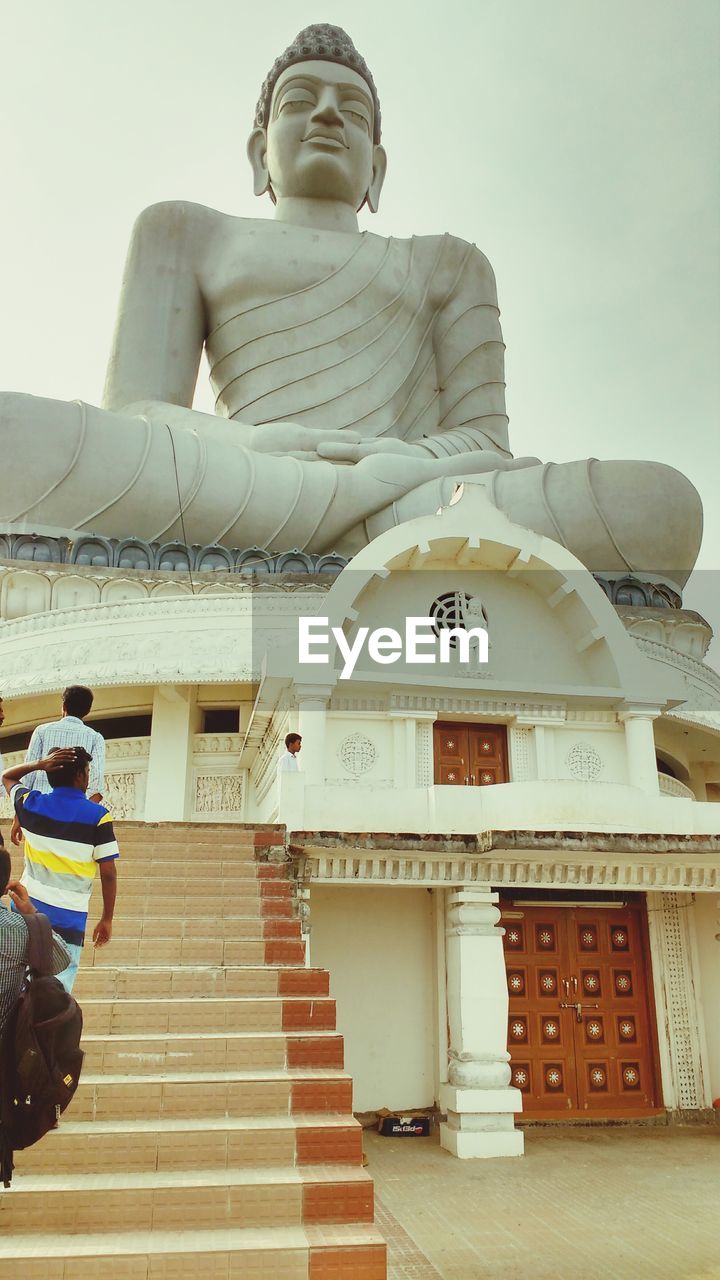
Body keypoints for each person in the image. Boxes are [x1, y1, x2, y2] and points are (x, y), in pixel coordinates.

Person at [0, 25, 702, 595]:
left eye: (352, 110)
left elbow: (486, 446)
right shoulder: (184, 230)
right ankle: (367, 537)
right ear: (259, 151)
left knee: (660, 503)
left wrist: (388, 464)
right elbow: (139, 414)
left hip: (411, 490)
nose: (328, 115)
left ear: (378, 166)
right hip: (246, 477)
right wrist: (261, 446)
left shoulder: (449, 262)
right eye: (300, 100)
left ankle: (351, 529)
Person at [2, 747, 119, 993]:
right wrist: (107, 917)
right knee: (56, 995)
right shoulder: (98, 816)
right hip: (69, 919)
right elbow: (108, 872)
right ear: (80, 776)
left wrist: (39, 764)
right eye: (87, 772)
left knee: (13, 986)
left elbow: (8, 777)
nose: (89, 777)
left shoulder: (31, 803)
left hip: (24, 910)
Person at [0, 840, 71, 1037]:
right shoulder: (22, 928)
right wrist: (32, 912)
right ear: (6, 888)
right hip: (6, 1048)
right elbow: (62, 959)